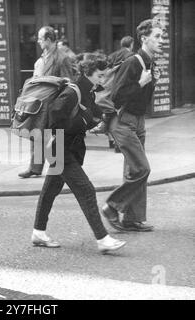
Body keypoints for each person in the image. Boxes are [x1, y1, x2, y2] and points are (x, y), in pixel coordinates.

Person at [31, 52, 126, 253]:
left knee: (50, 190)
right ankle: (103, 239)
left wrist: (93, 124)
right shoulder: (74, 91)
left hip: (68, 149)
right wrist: (83, 123)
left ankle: (38, 232)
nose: (102, 79)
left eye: (104, 75)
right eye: (100, 75)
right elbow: (54, 116)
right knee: (87, 190)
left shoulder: (89, 91)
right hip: (60, 149)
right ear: (89, 72)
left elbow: (83, 116)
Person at [101, 19, 163, 232]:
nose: (160, 40)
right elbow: (117, 96)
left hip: (138, 120)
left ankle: (132, 219)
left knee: (133, 170)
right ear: (144, 38)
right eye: (157, 36)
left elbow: (140, 98)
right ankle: (112, 206)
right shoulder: (133, 62)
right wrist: (141, 83)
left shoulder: (150, 62)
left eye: (161, 36)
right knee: (142, 168)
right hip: (123, 121)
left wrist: (151, 83)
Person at [18, 26, 78, 179]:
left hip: (54, 104)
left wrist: (60, 105)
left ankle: (58, 167)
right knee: (36, 133)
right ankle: (35, 168)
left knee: (57, 135)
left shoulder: (62, 58)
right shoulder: (42, 58)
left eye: (40, 38)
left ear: (49, 40)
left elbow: (68, 83)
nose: (37, 41)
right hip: (39, 103)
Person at [90, 36, 135, 138]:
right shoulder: (131, 56)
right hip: (121, 87)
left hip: (109, 88)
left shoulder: (113, 55)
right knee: (118, 116)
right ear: (131, 44)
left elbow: (106, 69)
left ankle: (111, 138)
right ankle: (117, 142)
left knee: (111, 112)